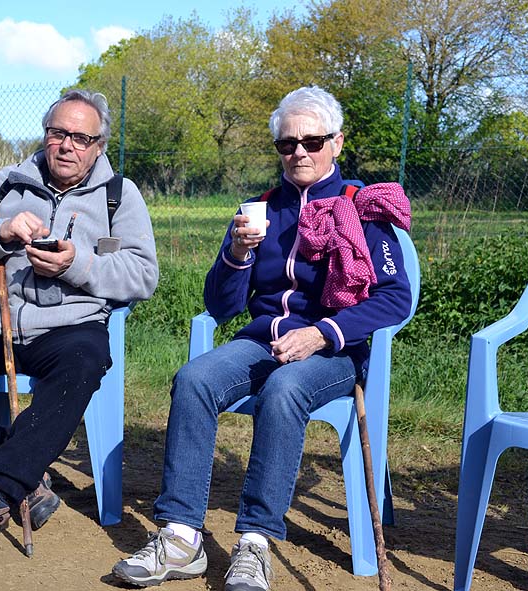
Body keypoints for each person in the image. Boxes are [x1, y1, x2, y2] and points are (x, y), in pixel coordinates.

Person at [112, 85, 411, 590]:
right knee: (194, 380)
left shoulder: (363, 209)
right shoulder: (262, 209)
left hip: (332, 352)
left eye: (312, 141)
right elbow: (221, 306)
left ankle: (255, 543)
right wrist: (235, 254)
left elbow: (394, 298)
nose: (299, 152)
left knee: (285, 390)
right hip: (262, 341)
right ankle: (181, 536)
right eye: (287, 143)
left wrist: (322, 333)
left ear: (336, 143)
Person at [0, 89, 159, 569]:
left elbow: (143, 275)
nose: (67, 145)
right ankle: (26, 478)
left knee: (83, 365)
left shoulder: (119, 196)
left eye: (80, 137)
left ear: (99, 145)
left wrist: (76, 264)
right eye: (58, 133)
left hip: (68, 326)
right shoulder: (4, 183)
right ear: (45, 137)